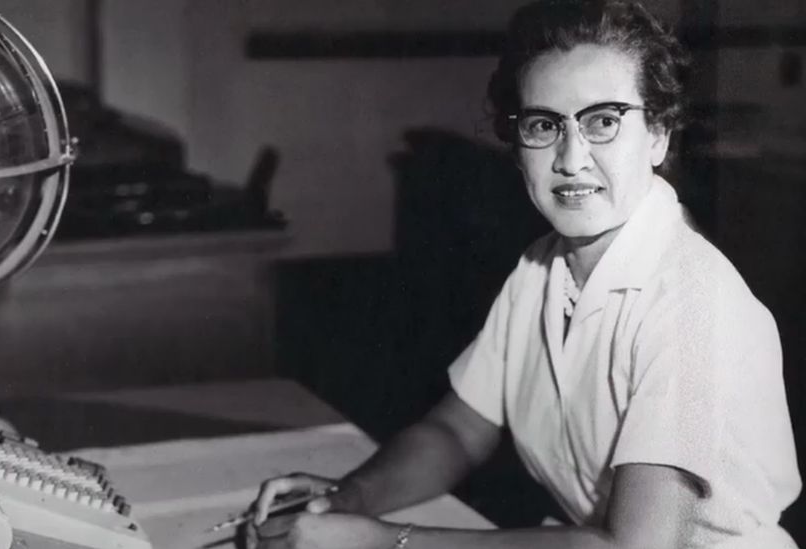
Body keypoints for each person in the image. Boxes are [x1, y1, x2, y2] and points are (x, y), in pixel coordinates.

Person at [246, 0, 803, 548]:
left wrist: (382, 542)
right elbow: (457, 433)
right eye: (544, 125)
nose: (571, 157)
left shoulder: (695, 306)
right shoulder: (543, 267)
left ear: (657, 135)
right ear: (518, 149)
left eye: (603, 121)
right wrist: (347, 499)